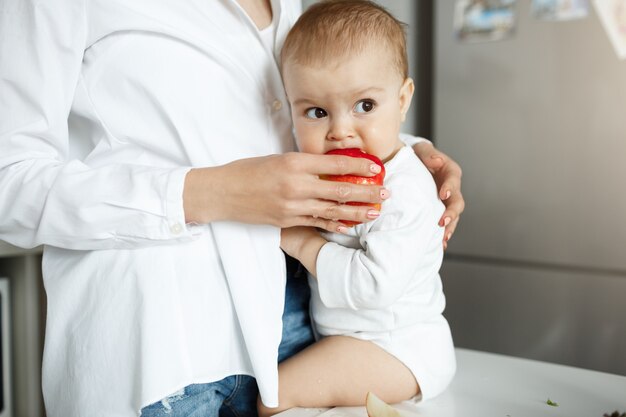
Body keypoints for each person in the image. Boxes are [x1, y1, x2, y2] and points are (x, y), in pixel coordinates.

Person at [0, 0, 464, 416]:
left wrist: (408, 157)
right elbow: (10, 181)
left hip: (303, 330)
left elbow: (303, 112)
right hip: (167, 349)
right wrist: (215, 192)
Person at [257, 1, 456, 415]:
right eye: (317, 112)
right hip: (354, 339)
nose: (340, 131)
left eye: (364, 106)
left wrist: (301, 242)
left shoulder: (404, 193)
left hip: (399, 346)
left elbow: (373, 287)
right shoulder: (331, 165)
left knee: (274, 398)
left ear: (402, 99)